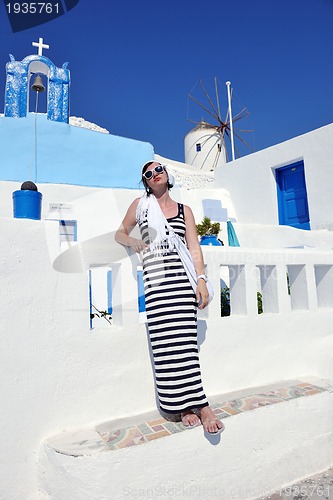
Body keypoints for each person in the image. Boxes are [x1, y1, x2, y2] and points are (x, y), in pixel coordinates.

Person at [115, 161, 224, 434]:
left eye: (158, 169)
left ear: (167, 174)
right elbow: (120, 232)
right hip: (157, 282)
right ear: (146, 182)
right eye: (148, 174)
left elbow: (193, 245)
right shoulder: (140, 206)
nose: (154, 175)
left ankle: (201, 404)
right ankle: (180, 406)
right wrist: (135, 242)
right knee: (166, 344)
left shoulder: (183, 210)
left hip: (181, 281)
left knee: (186, 343)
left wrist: (201, 279)